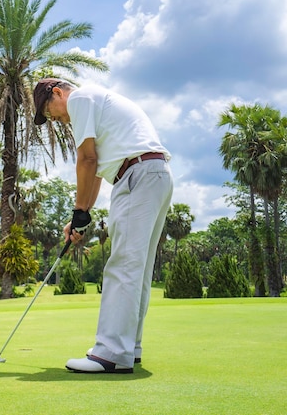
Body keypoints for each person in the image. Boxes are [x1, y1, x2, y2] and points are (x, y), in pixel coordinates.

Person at [33, 78, 173, 373]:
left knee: (123, 266)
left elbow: (86, 160)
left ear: (58, 93)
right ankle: (127, 347)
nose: (56, 119)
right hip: (152, 174)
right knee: (137, 268)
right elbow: (94, 169)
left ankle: (111, 352)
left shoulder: (80, 99)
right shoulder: (96, 101)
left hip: (138, 175)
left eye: (50, 112)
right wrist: (81, 216)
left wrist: (80, 210)